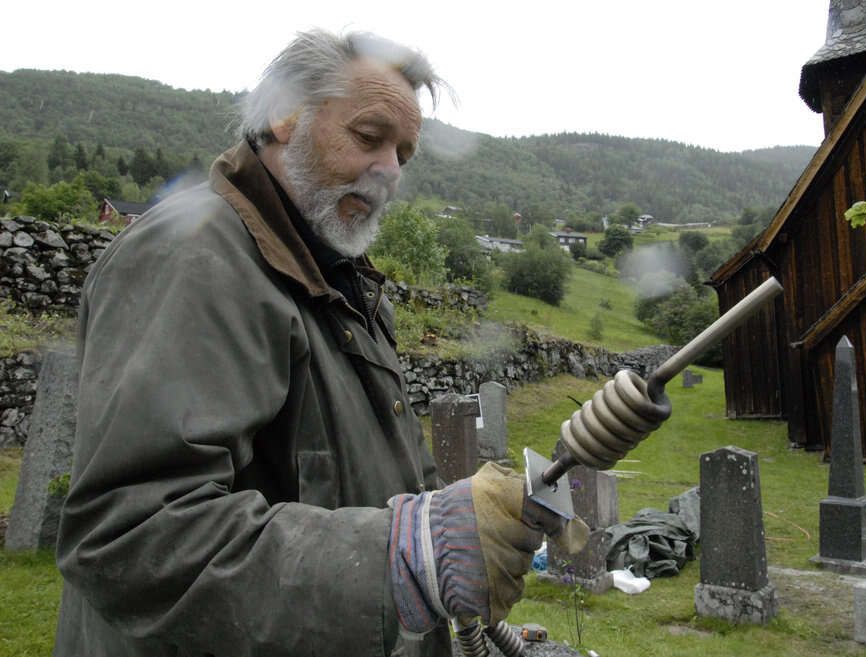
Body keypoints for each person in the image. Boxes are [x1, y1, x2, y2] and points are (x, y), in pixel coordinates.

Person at [52, 29, 615, 657]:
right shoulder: (193, 259)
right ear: (283, 115)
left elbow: (395, 486)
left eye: (404, 154)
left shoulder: (344, 285)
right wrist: (404, 557)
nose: (390, 172)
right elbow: (133, 537)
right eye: (369, 137)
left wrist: (457, 551)